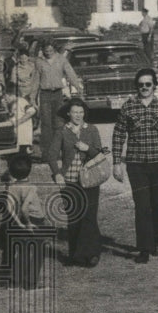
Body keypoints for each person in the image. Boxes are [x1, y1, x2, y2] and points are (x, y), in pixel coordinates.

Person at [112, 68, 158, 264]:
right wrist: (116, 163)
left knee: (157, 205)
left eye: (148, 84)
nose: (144, 88)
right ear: (137, 86)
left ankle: (157, 240)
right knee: (142, 206)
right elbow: (118, 135)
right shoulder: (128, 108)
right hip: (137, 165)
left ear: (154, 86)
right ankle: (144, 248)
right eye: (141, 85)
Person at [48, 98, 104, 267]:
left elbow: (99, 154)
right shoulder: (62, 131)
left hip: (90, 180)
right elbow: (51, 155)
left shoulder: (92, 130)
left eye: (81, 112)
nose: (78, 115)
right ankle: (76, 255)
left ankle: (92, 254)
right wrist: (57, 174)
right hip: (70, 181)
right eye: (75, 112)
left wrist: (88, 149)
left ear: (84, 113)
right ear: (68, 113)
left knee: (89, 217)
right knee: (74, 217)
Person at [0, 151, 47, 289]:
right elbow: (25, 207)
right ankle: (31, 284)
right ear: (29, 171)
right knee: (38, 251)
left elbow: (9, 207)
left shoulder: (12, 187)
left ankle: (14, 282)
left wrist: (19, 223)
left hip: (18, 222)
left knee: (23, 251)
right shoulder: (31, 187)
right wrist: (28, 224)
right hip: (35, 221)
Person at [35, 41, 85, 162]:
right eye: (46, 51)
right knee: (46, 125)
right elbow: (35, 80)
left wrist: (78, 87)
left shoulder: (61, 59)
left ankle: (59, 152)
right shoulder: (39, 61)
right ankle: (46, 154)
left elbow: (70, 74)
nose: (48, 53)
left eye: (51, 51)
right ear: (43, 50)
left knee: (58, 124)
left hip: (57, 94)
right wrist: (32, 97)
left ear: (54, 50)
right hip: (45, 95)